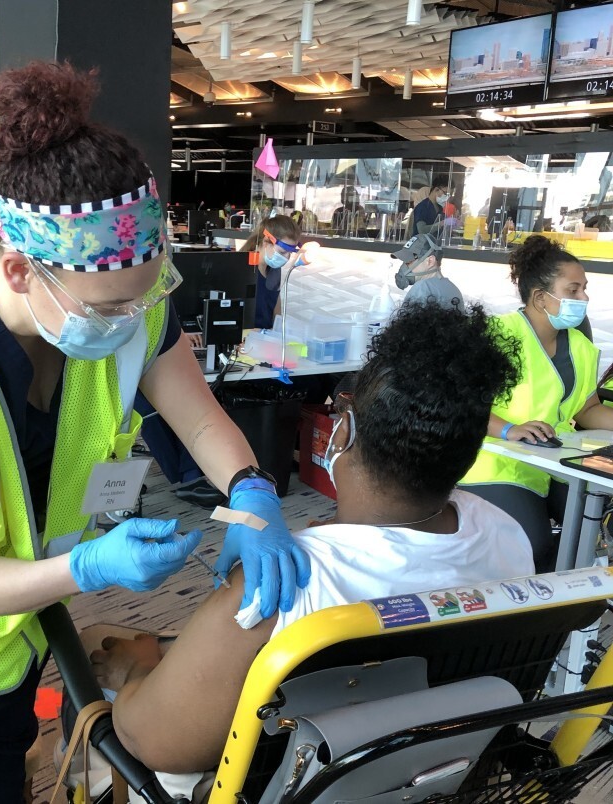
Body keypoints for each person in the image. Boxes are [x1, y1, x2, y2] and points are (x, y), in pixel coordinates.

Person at [0, 61, 310, 803]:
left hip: (24, 618)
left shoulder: (122, 285)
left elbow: (198, 413)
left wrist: (252, 492)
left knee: (0, 766)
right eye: (111, 309)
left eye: (143, 300)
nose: (130, 324)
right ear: (20, 272)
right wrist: (92, 568)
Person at [89, 302, 534, 777]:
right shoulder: (506, 533)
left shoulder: (278, 584)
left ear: (344, 426)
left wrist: (134, 670)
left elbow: (157, 742)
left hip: (292, 778)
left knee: (91, 641)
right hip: (438, 773)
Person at [460, 236, 613, 572]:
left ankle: (569, 604)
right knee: (532, 541)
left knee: (589, 530)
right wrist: (510, 429)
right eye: (573, 290)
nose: (584, 298)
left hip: (555, 460)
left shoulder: (582, 348)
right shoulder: (497, 335)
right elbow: (460, 400)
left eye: (584, 289)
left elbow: (585, 410)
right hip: (494, 460)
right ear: (541, 297)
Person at [241, 216, 301, 330]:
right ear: (266, 242)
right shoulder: (242, 270)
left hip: (264, 341)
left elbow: (277, 315)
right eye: (283, 252)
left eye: (290, 253)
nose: (286, 258)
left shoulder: (274, 271)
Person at [391, 233, 463, 310]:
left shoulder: (421, 288)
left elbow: (403, 321)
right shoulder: (453, 289)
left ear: (430, 261)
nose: (404, 267)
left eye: (409, 262)